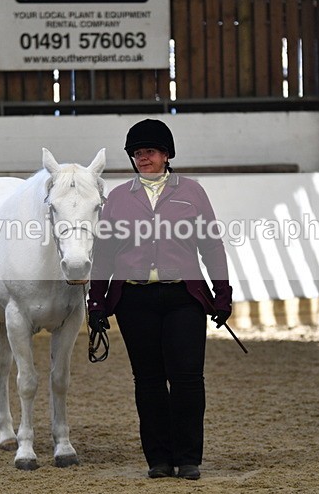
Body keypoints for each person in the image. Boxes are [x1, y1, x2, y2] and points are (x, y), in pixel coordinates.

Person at [87, 118, 233, 480]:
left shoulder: (192, 192)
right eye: (137, 153)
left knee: (186, 380)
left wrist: (222, 292)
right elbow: (104, 253)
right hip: (135, 301)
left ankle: (188, 458)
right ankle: (159, 459)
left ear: (166, 154)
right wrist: (96, 300)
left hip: (184, 298)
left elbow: (212, 245)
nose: (143, 158)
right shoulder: (119, 198)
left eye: (149, 151)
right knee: (148, 381)